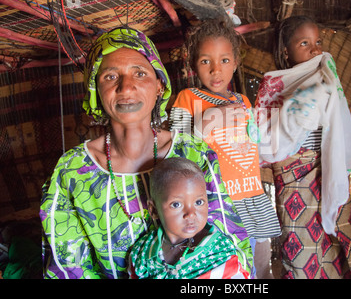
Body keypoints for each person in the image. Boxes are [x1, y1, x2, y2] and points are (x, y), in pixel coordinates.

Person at [39, 27, 252, 279]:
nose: (126, 88)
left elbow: (232, 241)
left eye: (139, 73)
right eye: (110, 77)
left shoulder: (193, 153)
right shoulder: (72, 172)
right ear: (95, 90)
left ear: (160, 85)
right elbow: (67, 269)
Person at [254, 16, 351, 279]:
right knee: (300, 245)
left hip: (325, 168)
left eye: (317, 42)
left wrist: (314, 96)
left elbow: (334, 125)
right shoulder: (274, 84)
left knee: (334, 239)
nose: (315, 50)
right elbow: (265, 138)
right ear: (286, 51)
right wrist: (301, 104)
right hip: (293, 176)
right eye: (304, 43)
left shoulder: (326, 76)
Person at [169, 18, 281, 278]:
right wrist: (204, 124)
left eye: (224, 60)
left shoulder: (242, 101)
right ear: (194, 65)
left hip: (250, 197)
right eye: (206, 61)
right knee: (226, 269)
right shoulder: (187, 99)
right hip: (217, 202)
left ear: (236, 62)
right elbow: (177, 151)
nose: (215, 70)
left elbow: (251, 147)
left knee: (258, 268)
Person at [129, 158, 249, 279]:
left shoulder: (220, 251)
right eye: (176, 204)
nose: (191, 214)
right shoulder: (143, 251)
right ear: (154, 210)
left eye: (199, 202)